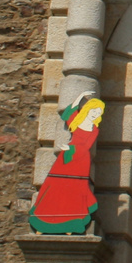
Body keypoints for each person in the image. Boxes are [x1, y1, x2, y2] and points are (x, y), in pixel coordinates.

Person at [28, 97, 106, 234]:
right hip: (66, 159)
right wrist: (80, 97)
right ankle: (44, 221)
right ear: (89, 109)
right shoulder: (77, 121)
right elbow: (67, 114)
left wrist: (70, 148)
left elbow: (85, 146)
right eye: (94, 110)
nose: (96, 114)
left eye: (99, 112)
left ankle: (71, 223)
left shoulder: (94, 130)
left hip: (80, 160)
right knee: (55, 185)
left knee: (75, 190)